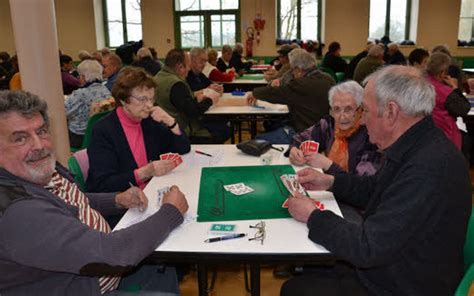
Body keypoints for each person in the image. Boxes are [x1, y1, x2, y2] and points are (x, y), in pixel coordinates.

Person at [281, 65, 472, 295]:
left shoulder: (428, 166)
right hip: (397, 266)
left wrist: (312, 215)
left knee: (295, 289)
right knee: (309, 272)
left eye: (366, 112)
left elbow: (368, 247)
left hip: (405, 284)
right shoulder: (416, 143)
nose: (361, 121)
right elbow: (374, 189)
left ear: (391, 112)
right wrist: (330, 182)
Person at [0, 90, 189, 295]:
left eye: (42, 131)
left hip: (99, 266)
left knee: (164, 268)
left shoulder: (33, 171)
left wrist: (117, 199)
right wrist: (171, 212)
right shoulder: (19, 211)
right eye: (20, 138)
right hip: (85, 283)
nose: (38, 145)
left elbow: (72, 199)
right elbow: (113, 253)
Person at [87, 67, 190, 193]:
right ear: (124, 100)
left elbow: (183, 148)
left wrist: (171, 122)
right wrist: (145, 172)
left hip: (152, 190)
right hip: (124, 203)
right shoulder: (104, 130)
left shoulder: (148, 121)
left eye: (151, 99)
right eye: (143, 99)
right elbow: (103, 184)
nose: (149, 105)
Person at [287, 81, 381, 177]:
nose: (342, 117)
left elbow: (362, 183)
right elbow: (299, 139)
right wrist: (294, 150)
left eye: (348, 109)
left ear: (360, 109)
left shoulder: (371, 136)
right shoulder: (329, 124)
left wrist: (328, 165)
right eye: (336, 109)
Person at [247, 48, 335, 144]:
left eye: (293, 71)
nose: (292, 74)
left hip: (304, 135)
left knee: (257, 140)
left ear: (298, 70)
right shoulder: (329, 79)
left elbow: (276, 93)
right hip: (327, 134)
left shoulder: (300, 84)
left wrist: (255, 93)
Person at [155, 49, 225, 143]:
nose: (189, 68)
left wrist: (195, 98)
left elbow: (176, 103)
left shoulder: (157, 77)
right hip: (181, 133)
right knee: (223, 130)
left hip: (161, 132)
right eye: (188, 65)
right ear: (180, 67)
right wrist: (210, 100)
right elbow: (193, 112)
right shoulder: (176, 84)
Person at [426, 52, 470, 150]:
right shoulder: (443, 91)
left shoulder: (420, 82)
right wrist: (455, 88)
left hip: (424, 135)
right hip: (444, 136)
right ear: (442, 72)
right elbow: (464, 109)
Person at [65, 59, 111, 148]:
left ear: (83, 76)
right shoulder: (105, 90)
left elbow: (63, 112)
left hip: (79, 138)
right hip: (99, 135)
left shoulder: (80, 94)